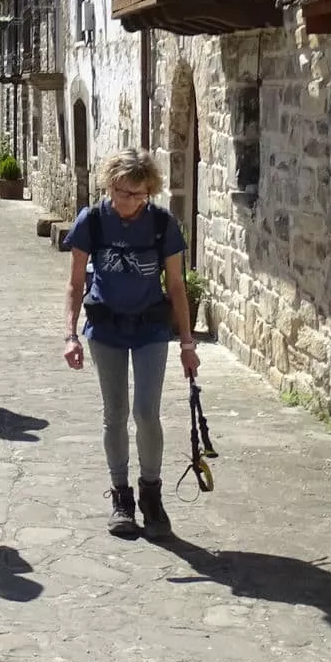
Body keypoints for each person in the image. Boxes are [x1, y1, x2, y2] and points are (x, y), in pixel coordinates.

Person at [63, 148, 197, 541]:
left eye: (140, 195)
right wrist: (70, 335)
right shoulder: (93, 221)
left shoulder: (161, 224)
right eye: (123, 193)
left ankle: (151, 495)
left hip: (151, 327)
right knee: (115, 412)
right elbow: (75, 282)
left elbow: (176, 285)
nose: (130, 203)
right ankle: (121, 496)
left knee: (146, 413)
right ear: (110, 186)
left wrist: (187, 343)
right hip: (106, 327)